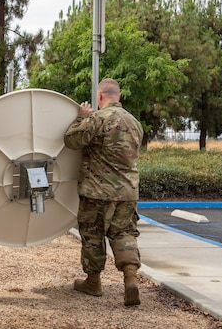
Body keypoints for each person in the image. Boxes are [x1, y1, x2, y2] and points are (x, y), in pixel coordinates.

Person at [63, 78, 144, 306]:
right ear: (118, 96)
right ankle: (130, 278)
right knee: (124, 233)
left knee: (92, 234)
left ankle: (93, 282)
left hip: (97, 191)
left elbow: (71, 140)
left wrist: (81, 117)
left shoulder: (97, 119)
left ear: (100, 97)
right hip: (128, 192)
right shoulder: (135, 122)